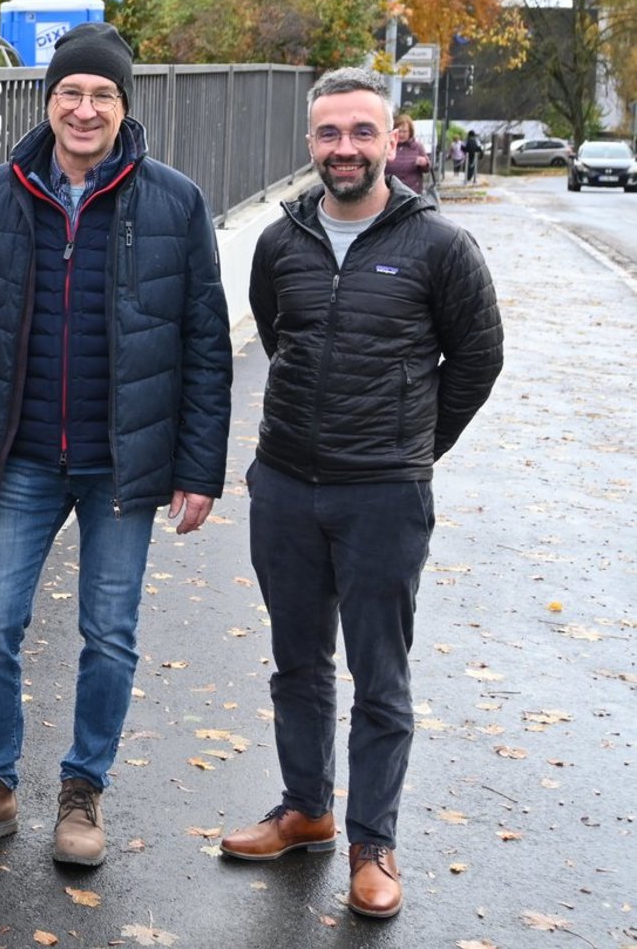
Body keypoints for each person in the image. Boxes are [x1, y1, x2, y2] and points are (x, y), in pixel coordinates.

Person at [0, 22, 232, 868]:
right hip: (21, 457)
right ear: (47, 100)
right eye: (71, 92)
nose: (85, 109)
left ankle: (83, 790)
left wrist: (199, 466)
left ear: (124, 106)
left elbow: (203, 339)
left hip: (123, 462)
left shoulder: (174, 201)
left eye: (102, 95)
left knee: (109, 632)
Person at [219, 67, 503, 919]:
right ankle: (306, 807)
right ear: (310, 144)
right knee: (298, 662)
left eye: (361, 133)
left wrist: (413, 444)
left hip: (384, 494)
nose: (345, 149)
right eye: (329, 134)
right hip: (286, 487)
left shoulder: (439, 246)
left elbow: (477, 360)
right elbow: (279, 335)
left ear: (391, 137)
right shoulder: (280, 242)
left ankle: (372, 844)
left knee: (381, 676)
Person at [390, 114, 432, 196]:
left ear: (410, 132)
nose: (401, 134)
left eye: (404, 131)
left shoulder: (418, 147)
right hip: (390, 193)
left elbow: (427, 168)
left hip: (412, 193)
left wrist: (424, 163)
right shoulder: (388, 146)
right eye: (399, 131)